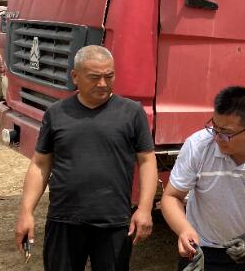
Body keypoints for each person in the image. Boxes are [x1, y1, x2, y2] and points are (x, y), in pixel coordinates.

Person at [14, 45, 157, 271]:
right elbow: (40, 164)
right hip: (64, 220)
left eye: (109, 76)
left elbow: (147, 160)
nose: (102, 83)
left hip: (114, 222)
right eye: (94, 77)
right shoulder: (57, 113)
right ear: (75, 76)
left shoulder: (131, 112)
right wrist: (26, 212)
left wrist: (145, 208)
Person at [161, 86, 245, 271]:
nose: (217, 138)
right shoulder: (198, 146)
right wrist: (184, 230)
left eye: (226, 133)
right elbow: (171, 197)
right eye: (214, 128)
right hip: (204, 247)